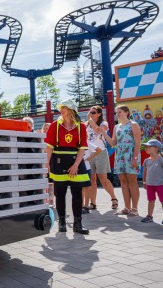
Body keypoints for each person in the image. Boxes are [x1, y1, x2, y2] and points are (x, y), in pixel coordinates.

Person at [45, 99, 90, 234]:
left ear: (71, 110)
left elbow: (82, 148)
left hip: (76, 161)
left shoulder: (81, 127)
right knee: (60, 194)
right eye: (61, 107)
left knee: (77, 194)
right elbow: (49, 147)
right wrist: (46, 164)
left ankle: (78, 224)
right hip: (59, 162)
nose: (61, 109)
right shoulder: (55, 125)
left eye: (64, 107)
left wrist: (76, 165)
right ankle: (62, 223)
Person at [101, 105, 141, 217]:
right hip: (120, 156)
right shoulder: (116, 127)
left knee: (132, 182)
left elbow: (138, 142)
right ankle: (127, 208)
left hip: (131, 155)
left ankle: (135, 208)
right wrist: (104, 134)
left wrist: (135, 158)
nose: (117, 114)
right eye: (116, 112)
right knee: (123, 182)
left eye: (119, 112)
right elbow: (113, 143)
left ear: (126, 113)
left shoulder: (133, 124)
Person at [85, 106, 118, 210]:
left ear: (99, 114)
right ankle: (93, 203)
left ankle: (113, 198)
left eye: (93, 112)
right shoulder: (86, 124)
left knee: (102, 178)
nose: (91, 114)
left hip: (101, 152)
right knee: (91, 179)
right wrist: (88, 122)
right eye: (90, 112)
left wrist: (90, 120)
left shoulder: (104, 123)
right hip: (89, 153)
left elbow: (98, 131)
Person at [140, 139, 163, 223]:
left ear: (156, 148)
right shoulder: (146, 160)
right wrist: (144, 182)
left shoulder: (161, 160)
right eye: (146, 147)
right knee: (151, 200)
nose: (146, 148)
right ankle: (149, 216)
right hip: (150, 185)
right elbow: (145, 172)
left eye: (149, 146)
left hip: (160, 184)